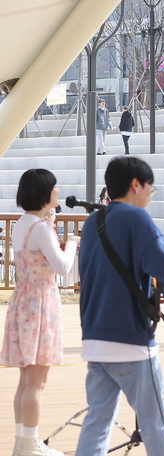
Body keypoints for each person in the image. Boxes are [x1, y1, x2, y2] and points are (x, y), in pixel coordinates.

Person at [76, 156, 164, 456]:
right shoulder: (137, 218)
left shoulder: (92, 222)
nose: (150, 194)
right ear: (136, 185)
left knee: (97, 422)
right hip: (130, 339)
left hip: (95, 337)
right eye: (151, 187)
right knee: (158, 423)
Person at [1, 169, 80, 456]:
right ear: (44, 192)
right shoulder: (42, 228)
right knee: (37, 381)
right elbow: (62, 267)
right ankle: (30, 445)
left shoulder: (24, 223)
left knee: (26, 379)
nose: (58, 191)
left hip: (23, 301)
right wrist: (71, 243)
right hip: (42, 303)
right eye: (55, 188)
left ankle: (23, 442)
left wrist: (50, 224)